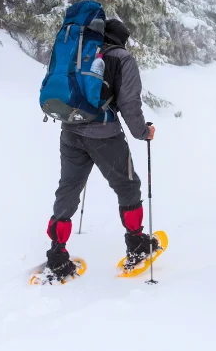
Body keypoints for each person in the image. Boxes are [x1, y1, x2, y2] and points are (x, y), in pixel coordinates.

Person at [44, 18, 159, 280]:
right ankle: (137, 243)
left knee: (69, 188)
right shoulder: (121, 58)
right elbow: (129, 103)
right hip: (104, 135)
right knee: (128, 186)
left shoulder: (81, 54)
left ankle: (57, 253)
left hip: (70, 131)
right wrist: (144, 132)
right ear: (121, 38)